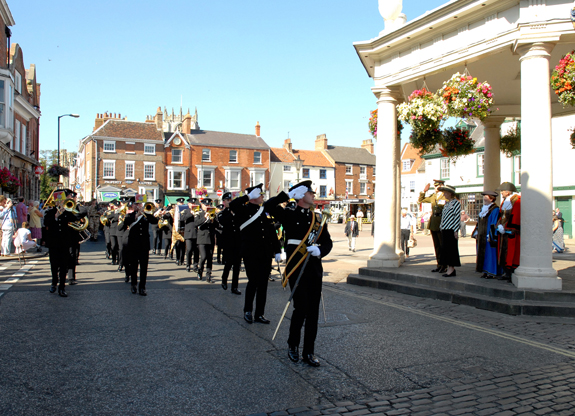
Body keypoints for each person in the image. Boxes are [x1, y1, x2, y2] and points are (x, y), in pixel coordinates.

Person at [268, 180, 333, 367]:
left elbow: (327, 242)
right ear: (301, 194)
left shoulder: (318, 219)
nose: (313, 195)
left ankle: (309, 351)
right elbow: (269, 205)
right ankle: (293, 346)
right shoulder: (289, 213)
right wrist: (288, 194)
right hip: (297, 266)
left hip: (313, 268)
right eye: (310, 192)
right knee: (301, 308)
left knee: (313, 312)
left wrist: (320, 250)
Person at [229, 183, 281, 325]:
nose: (262, 196)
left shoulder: (264, 211)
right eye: (260, 194)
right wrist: (246, 197)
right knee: (253, 281)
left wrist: (277, 250)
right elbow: (232, 205)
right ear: (253, 197)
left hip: (265, 252)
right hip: (250, 252)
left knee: (263, 284)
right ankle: (248, 310)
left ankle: (260, 313)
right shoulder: (243, 210)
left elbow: (271, 232)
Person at [43, 192, 88, 297]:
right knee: (54, 265)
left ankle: (62, 287)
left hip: (64, 242)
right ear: (55, 202)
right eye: (59, 201)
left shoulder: (68, 212)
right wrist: (56, 216)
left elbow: (78, 216)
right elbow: (46, 222)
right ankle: (54, 283)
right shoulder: (50, 212)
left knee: (64, 265)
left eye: (62, 201)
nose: (61, 203)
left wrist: (75, 208)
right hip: (53, 243)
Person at [120, 201, 159, 296]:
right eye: (136, 204)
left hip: (144, 245)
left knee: (144, 267)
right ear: (133, 206)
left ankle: (142, 287)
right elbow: (126, 223)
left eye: (140, 204)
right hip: (133, 244)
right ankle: (133, 284)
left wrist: (146, 213)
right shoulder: (130, 215)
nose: (138, 206)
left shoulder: (147, 215)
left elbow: (154, 221)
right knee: (133, 266)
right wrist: (136, 215)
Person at [418, 180, 448, 273]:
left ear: (442, 186)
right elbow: (421, 200)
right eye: (435, 186)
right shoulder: (433, 196)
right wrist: (424, 191)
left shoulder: (446, 196)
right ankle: (439, 264)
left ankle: (444, 265)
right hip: (434, 222)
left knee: (443, 245)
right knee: (437, 246)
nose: (436, 188)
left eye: (438, 186)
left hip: (442, 222)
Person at [496, 182, 521, 281]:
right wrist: (499, 225)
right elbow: (501, 215)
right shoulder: (505, 201)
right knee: (503, 252)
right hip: (503, 231)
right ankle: (505, 272)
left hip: (511, 233)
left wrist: (507, 228)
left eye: (502, 191)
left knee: (511, 252)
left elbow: (515, 216)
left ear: (507, 191)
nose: (501, 193)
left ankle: (511, 273)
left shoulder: (517, 201)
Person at [218, 192, 241, 295]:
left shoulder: (237, 212)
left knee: (237, 266)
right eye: (228, 200)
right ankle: (224, 279)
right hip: (228, 243)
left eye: (231, 200)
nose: (229, 202)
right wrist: (230, 213)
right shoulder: (223, 213)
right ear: (224, 202)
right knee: (228, 263)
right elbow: (223, 222)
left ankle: (234, 287)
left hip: (237, 242)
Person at [474, 191, 501, 279]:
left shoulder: (495, 209)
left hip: (488, 235)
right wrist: (477, 232)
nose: (484, 198)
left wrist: (491, 235)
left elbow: (494, 223)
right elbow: (479, 222)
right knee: (482, 254)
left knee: (490, 254)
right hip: (481, 234)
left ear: (491, 198)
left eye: (486, 197)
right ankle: (484, 271)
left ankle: (491, 272)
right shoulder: (484, 208)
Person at [437, 184, 461, 277]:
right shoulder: (446, 204)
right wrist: (441, 226)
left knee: (451, 250)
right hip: (444, 229)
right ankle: (448, 268)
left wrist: (455, 230)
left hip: (451, 229)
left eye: (446, 193)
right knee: (445, 249)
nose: (444, 195)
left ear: (450, 193)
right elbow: (443, 217)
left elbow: (457, 218)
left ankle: (451, 268)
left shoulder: (456, 203)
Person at [194, 198, 217, 282]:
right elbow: (196, 223)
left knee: (210, 257)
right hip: (202, 238)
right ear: (202, 205)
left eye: (208, 204)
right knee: (203, 257)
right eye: (205, 205)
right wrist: (204, 218)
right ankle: (200, 270)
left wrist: (213, 219)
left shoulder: (213, 213)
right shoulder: (198, 213)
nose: (207, 206)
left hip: (210, 237)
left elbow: (217, 225)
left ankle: (208, 275)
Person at [180, 198, 200, 272]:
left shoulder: (198, 211)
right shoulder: (185, 211)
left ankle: (195, 265)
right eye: (191, 203)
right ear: (188, 204)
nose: (193, 205)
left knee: (196, 250)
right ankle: (188, 264)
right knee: (189, 249)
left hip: (197, 233)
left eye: (194, 203)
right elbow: (182, 219)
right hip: (189, 233)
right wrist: (190, 213)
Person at [107, 200, 120, 265]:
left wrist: (116, 214)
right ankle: (113, 259)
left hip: (119, 230)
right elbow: (108, 217)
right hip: (112, 231)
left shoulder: (121, 213)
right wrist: (114, 214)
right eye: (115, 206)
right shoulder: (111, 212)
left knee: (119, 246)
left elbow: (117, 218)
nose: (116, 207)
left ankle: (118, 259)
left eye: (118, 206)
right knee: (114, 246)